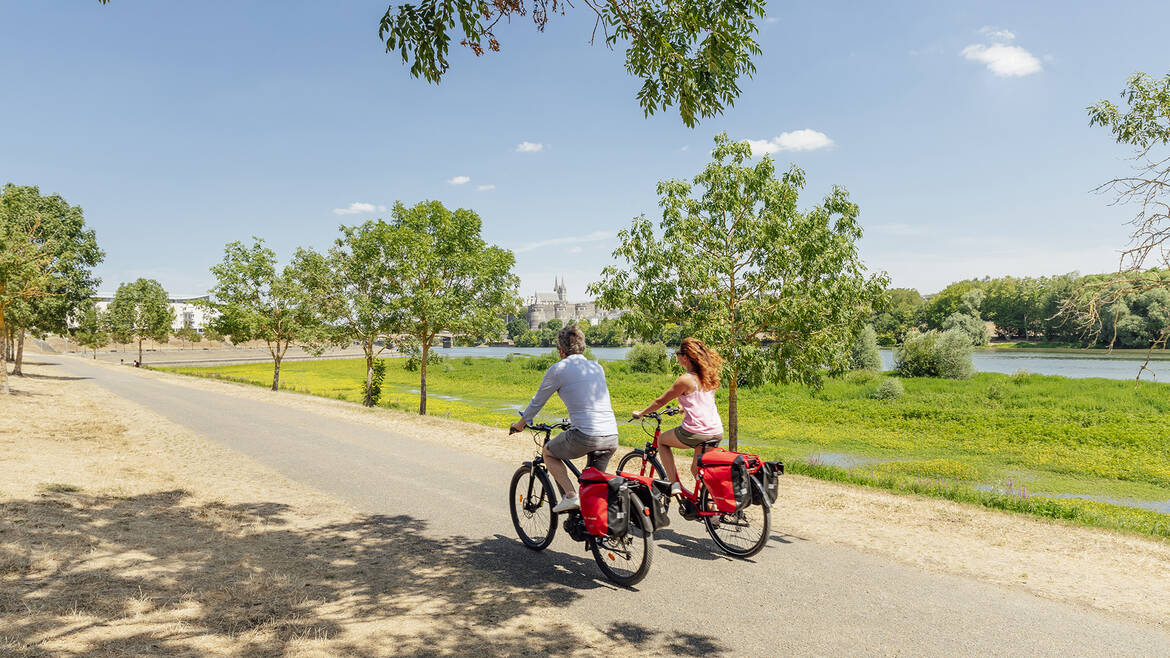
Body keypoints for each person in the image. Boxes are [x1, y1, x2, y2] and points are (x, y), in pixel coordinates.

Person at [511, 324, 619, 513]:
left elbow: (537, 402)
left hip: (587, 435)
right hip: (611, 436)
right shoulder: (596, 367)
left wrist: (521, 424)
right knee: (592, 485)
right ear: (582, 347)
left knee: (548, 452)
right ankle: (594, 531)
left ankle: (570, 495)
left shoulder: (558, 369)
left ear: (561, 351)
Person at [631, 337, 724, 494]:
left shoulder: (685, 379)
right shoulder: (707, 376)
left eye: (677, 354)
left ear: (685, 357)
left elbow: (660, 401)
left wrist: (641, 413)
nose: (677, 357)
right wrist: (683, 407)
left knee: (662, 441)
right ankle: (709, 506)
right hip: (716, 431)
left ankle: (675, 484)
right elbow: (701, 400)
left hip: (696, 432)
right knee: (696, 470)